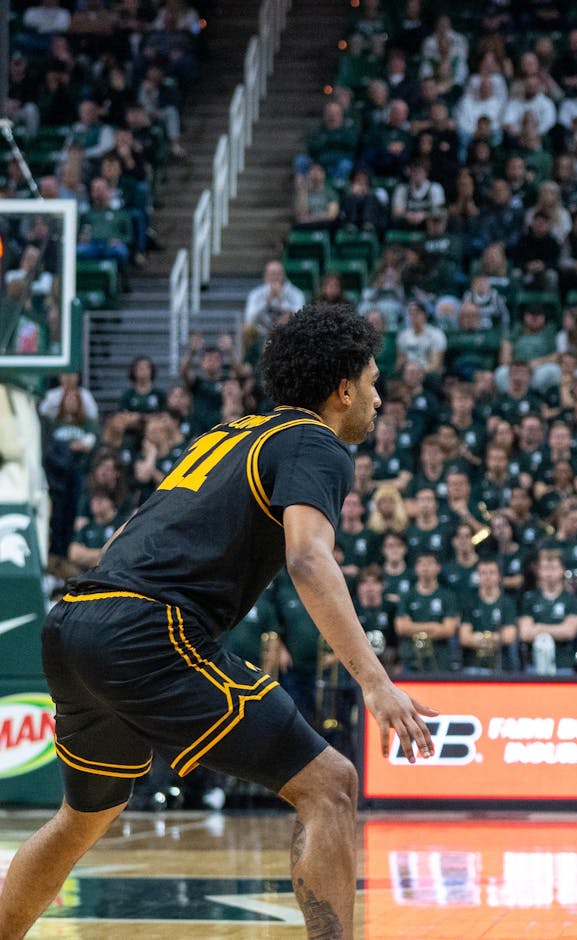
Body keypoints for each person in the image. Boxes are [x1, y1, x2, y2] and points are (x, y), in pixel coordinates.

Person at [0, 305, 437, 940]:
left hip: (75, 620)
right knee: (331, 785)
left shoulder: (225, 434)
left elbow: (130, 530)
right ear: (342, 390)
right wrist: (375, 682)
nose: (378, 396)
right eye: (372, 381)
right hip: (147, 630)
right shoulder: (318, 442)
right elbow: (309, 559)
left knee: (83, 817)